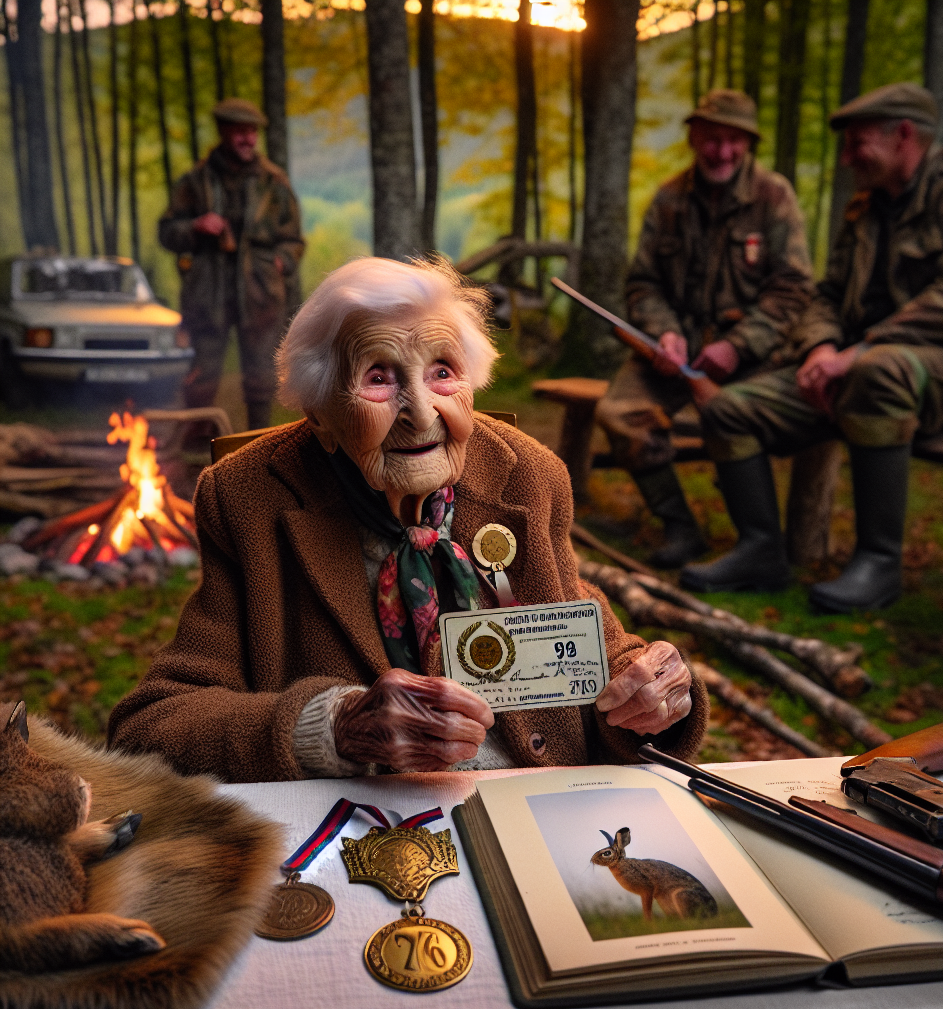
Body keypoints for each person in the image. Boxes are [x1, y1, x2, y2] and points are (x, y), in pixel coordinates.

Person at [106, 258, 707, 782]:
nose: (420, 415)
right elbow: (147, 726)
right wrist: (332, 727)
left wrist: (653, 693)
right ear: (320, 415)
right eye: (379, 377)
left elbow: (592, 651)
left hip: (538, 810)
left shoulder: (528, 475)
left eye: (441, 371)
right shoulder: (248, 499)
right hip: (360, 828)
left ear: (470, 384)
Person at [681, 83, 943, 612]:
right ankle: (761, 551)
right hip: (858, 369)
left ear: (903, 135)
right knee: (729, 408)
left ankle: (878, 563)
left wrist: (860, 351)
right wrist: (820, 347)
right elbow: (829, 294)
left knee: (879, 373)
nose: (846, 158)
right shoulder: (865, 209)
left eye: (857, 143)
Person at [594, 89, 814, 568]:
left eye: (734, 140)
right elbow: (644, 283)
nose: (722, 151)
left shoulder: (774, 198)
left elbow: (795, 288)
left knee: (735, 415)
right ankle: (680, 527)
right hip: (673, 355)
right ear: (694, 138)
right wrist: (664, 333)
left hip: (756, 357)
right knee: (619, 412)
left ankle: (757, 541)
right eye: (712, 138)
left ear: (748, 144)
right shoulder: (669, 199)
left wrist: (739, 345)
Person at [158, 98, 304, 432]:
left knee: (262, 379)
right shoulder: (195, 181)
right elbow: (167, 233)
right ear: (223, 132)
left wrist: (279, 263)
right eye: (240, 132)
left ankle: (260, 447)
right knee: (202, 376)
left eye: (252, 132)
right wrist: (195, 226)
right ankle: (197, 447)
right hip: (207, 295)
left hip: (261, 294)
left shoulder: (274, 183)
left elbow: (293, 241)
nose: (248, 139)